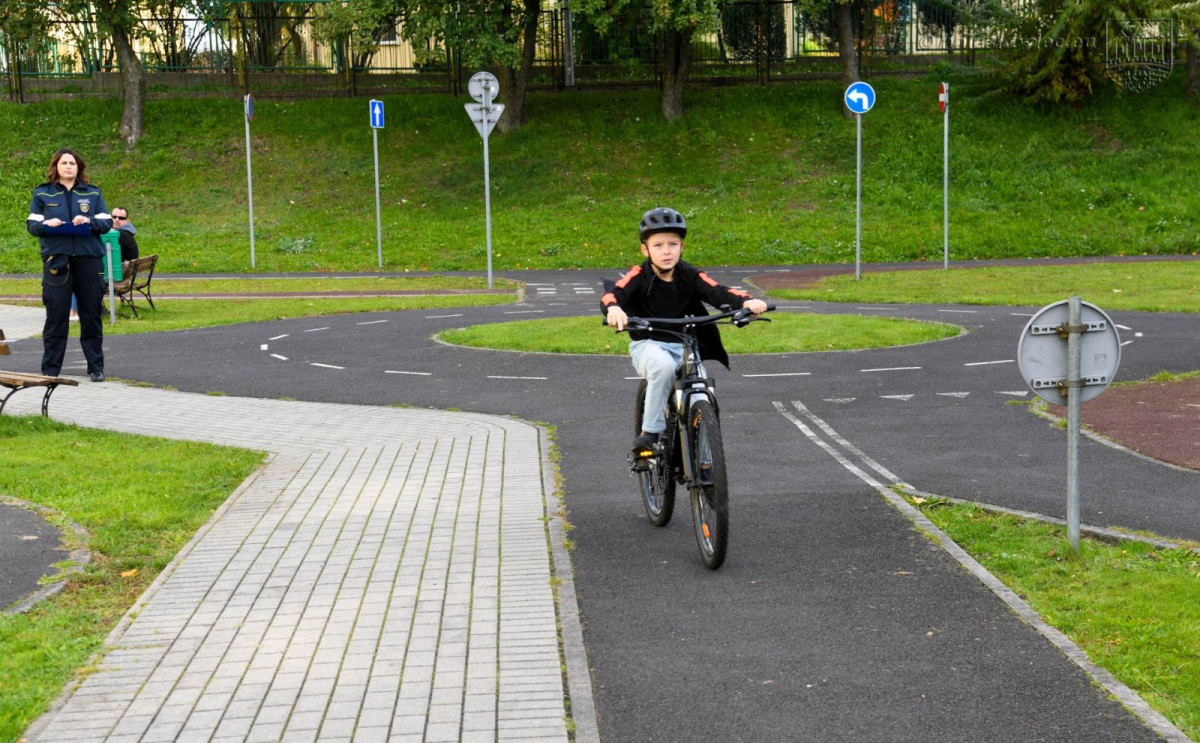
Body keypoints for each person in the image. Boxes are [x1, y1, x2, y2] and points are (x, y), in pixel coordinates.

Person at [602, 207, 769, 453]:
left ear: (682, 246)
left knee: (701, 395)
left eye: (673, 244)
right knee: (663, 367)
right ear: (645, 249)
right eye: (658, 245)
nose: (666, 251)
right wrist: (614, 310)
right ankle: (650, 433)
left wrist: (746, 301)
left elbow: (718, 291)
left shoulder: (689, 275)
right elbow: (612, 295)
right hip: (649, 344)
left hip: (687, 345)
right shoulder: (639, 275)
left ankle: (705, 464)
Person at [26, 148, 112, 382]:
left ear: (78, 167)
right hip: (58, 261)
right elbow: (32, 225)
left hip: (88, 260)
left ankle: (96, 367)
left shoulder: (92, 193)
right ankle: (51, 369)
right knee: (56, 315)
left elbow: (106, 221)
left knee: (91, 314)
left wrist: (89, 221)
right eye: (64, 163)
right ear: (56, 167)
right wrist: (47, 223)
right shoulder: (43, 193)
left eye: (72, 163)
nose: (68, 167)